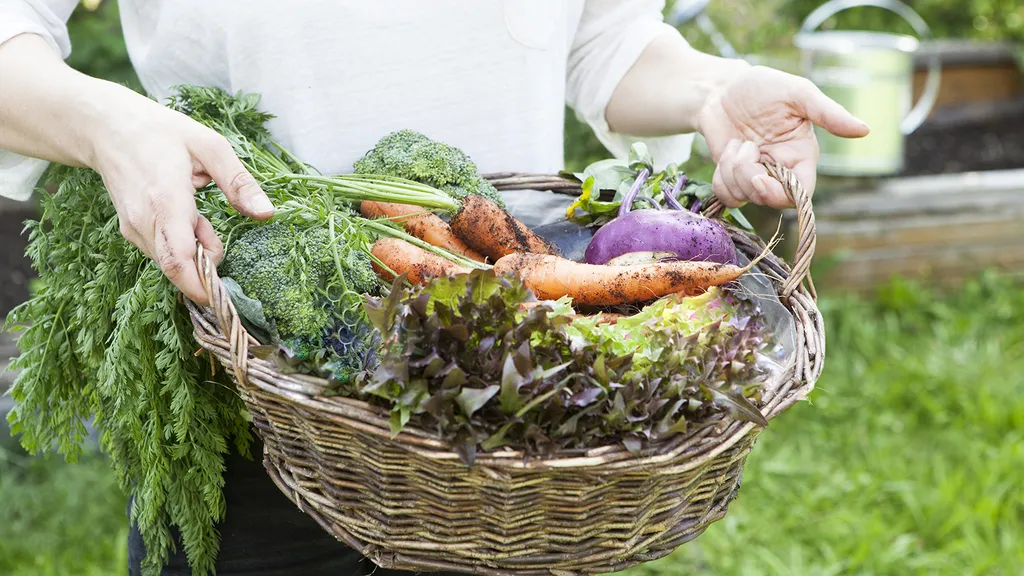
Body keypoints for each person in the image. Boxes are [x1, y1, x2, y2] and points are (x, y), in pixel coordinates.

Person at [0, 1, 870, 575]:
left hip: (512, 427)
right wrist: (109, 122)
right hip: (260, 406)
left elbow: (606, 38)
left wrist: (713, 87)